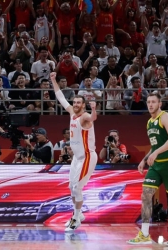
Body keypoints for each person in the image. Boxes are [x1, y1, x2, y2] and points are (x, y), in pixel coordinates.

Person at [127, 93, 168, 246]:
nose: (150, 104)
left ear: (160, 103)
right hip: (156, 164)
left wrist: (156, 152)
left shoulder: (165, 117)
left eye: (154, 102)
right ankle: (145, 233)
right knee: (146, 195)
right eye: (148, 102)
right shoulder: (149, 122)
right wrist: (145, 159)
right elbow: (155, 146)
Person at [50, 71, 98, 232]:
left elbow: (93, 119)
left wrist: (93, 110)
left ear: (83, 105)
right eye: (75, 102)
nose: (76, 104)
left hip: (88, 156)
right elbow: (60, 97)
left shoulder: (84, 116)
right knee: (71, 187)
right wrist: (53, 80)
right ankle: (78, 214)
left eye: (79, 102)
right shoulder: (71, 112)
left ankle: (76, 218)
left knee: (77, 187)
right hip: (77, 158)